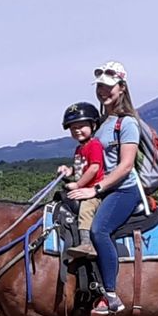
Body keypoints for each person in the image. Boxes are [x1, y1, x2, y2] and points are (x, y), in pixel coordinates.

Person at [66, 61, 145, 316]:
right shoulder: (100, 122)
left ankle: (110, 295)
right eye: (99, 86)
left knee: (99, 230)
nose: (103, 91)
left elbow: (125, 166)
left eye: (108, 86)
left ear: (121, 88)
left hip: (123, 190)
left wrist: (94, 189)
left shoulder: (127, 123)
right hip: (102, 189)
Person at [57, 102, 106, 259]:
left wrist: (78, 184)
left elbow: (94, 168)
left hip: (93, 191)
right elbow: (80, 168)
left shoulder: (95, 145)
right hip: (81, 188)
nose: (77, 130)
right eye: (73, 128)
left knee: (86, 209)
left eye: (81, 126)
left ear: (93, 125)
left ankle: (87, 243)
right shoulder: (80, 149)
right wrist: (68, 171)